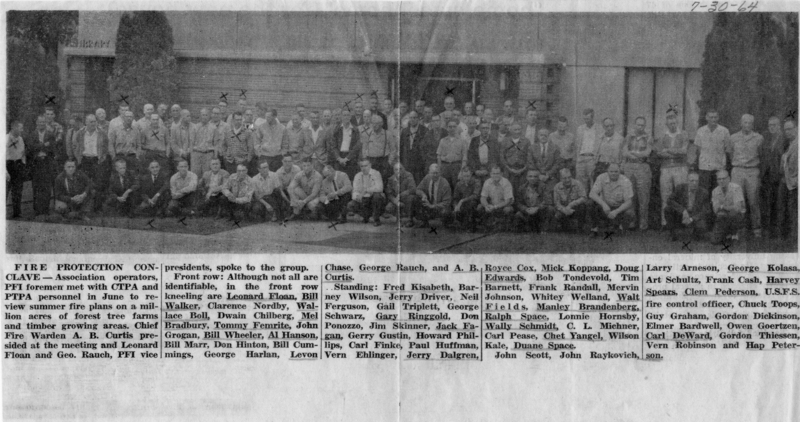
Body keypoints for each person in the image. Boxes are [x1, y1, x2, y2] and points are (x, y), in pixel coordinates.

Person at [654, 113, 689, 228]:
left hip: (680, 168)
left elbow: (684, 151)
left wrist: (668, 150)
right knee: (666, 195)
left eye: (674, 123)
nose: (672, 125)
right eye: (670, 124)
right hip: (666, 168)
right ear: (666, 124)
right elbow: (659, 153)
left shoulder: (683, 135)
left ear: (677, 123)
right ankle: (666, 222)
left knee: (681, 194)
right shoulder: (663, 136)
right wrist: (675, 152)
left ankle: (682, 220)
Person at [622, 116, 653, 231]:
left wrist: (634, 153)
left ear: (645, 126)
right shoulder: (629, 136)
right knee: (630, 194)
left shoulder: (648, 137)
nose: (640, 127)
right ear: (634, 125)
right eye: (638, 124)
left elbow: (647, 153)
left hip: (642, 167)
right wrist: (634, 154)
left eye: (642, 125)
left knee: (643, 196)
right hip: (629, 166)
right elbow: (624, 152)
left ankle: (643, 223)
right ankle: (631, 222)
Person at [588, 163, 635, 235]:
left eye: (616, 171)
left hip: (618, 209)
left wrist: (616, 211)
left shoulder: (626, 181)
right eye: (611, 171)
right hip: (605, 208)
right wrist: (603, 205)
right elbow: (592, 194)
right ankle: (594, 229)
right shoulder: (601, 177)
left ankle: (620, 227)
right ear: (607, 171)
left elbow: (629, 202)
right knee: (590, 203)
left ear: (620, 171)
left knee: (629, 212)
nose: (614, 173)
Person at [760, 116, 786, 237]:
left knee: (779, 204)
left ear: (779, 126)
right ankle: (769, 229)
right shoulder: (766, 139)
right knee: (768, 203)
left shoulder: (784, 139)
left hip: (780, 176)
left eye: (774, 125)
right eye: (770, 125)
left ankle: (780, 230)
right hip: (767, 176)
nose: (772, 127)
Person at [666, 172, 710, 241]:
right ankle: (673, 233)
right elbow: (669, 200)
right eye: (692, 180)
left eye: (696, 181)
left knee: (702, 227)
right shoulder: (680, 188)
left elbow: (706, 210)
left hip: (695, 215)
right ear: (687, 181)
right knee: (668, 209)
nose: (694, 183)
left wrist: (692, 219)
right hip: (682, 214)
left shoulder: (704, 192)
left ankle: (694, 232)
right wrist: (683, 210)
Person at [695, 109, 730, 193]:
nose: (713, 119)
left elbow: (727, 149)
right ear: (707, 118)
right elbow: (699, 149)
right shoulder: (701, 131)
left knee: (718, 192)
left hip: (719, 167)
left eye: (715, 117)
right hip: (704, 168)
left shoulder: (724, 131)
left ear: (718, 118)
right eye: (711, 117)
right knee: (704, 192)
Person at [27, 115, 57, 216]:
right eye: (40, 122)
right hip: (36, 164)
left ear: (45, 123)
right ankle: (37, 209)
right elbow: (30, 148)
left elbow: (53, 148)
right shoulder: (32, 135)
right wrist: (44, 145)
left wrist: (44, 151)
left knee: (46, 187)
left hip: (47, 163)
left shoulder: (51, 134)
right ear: (36, 123)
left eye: (43, 122)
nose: (42, 124)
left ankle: (45, 209)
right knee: (36, 186)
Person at [411, 163, 452, 228]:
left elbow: (447, 202)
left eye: (437, 173)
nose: (435, 175)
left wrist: (433, 206)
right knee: (415, 198)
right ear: (429, 173)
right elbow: (418, 189)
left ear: (440, 173)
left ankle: (445, 225)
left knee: (445, 211)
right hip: (429, 205)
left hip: (438, 207)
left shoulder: (445, 184)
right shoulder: (427, 178)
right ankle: (422, 222)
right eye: (433, 173)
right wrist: (423, 195)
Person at [710, 170, 745, 243]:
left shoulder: (736, 188)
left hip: (736, 216)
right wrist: (727, 208)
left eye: (724, 178)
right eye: (719, 179)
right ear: (717, 180)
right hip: (723, 217)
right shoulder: (715, 191)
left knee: (733, 213)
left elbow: (738, 208)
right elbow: (715, 210)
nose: (721, 181)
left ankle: (734, 233)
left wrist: (723, 207)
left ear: (729, 179)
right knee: (714, 241)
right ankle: (727, 233)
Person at [348, 159, 385, 226]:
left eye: (366, 166)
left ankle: (376, 219)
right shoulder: (357, 175)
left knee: (377, 196)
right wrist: (357, 197)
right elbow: (355, 190)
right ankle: (365, 216)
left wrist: (365, 191)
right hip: (363, 199)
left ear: (370, 165)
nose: (364, 168)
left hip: (372, 198)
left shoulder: (376, 173)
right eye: (362, 166)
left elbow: (379, 188)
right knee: (351, 205)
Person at [477, 165, 514, 230]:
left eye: (497, 173)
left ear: (501, 174)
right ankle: (485, 226)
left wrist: (495, 207)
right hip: (492, 205)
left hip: (504, 206)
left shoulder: (506, 183)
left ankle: (506, 227)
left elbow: (508, 201)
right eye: (493, 173)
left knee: (507, 210)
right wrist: (486, 206)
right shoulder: (487, 182)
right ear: (490, 174)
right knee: (480, 207)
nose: (495, 175)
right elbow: (482, 197)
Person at [575, 108, 602, 194]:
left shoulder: (599, 128)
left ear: (592, 117)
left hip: (592, 158)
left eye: (588, 118)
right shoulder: (580, 129)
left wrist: (596, 159)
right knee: (581, 182)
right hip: (581, 158)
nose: (586, 121)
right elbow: (578, 144)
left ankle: (593, 202)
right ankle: (582, 201)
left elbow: (600, 144)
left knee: (592, 181)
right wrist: (577, 157)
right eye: (584, 119)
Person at [778, 119, 798, 243]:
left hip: (795, 182)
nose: (787, 132)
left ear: (796, 128)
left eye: (790, 129)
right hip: (788, 181)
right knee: (787, 209)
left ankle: (794, 237)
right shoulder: (790, 143)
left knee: (794, 210)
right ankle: (790, 237)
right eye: (785, 129)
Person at [527, 128, 562, 196]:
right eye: (541, 135)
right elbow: (530, 162)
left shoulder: (555, 148)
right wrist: (538, 175)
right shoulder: (532, 148)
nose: (543, 137)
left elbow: (557, 163)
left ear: (549, 136)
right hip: (536, 177)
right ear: (538, 136)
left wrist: (548, 175)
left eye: (545, 135)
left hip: (551, 177)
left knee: (550, 195)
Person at [362, 115, 397, 181]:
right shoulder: (368, 133)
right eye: (372, 123)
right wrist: (365, 160)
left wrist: (389, 162)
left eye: (376, 123)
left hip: (383, 162)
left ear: (381, 124)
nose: (374, 125)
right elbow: (364, 148)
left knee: (383, 181)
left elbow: (393, 150)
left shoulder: (388, 134)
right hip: (371, 161)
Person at [552, 168, 587, 232]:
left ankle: (580, 228)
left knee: (583, 206)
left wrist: (571, 204)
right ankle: (563, 226)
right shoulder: (557, 187)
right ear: (560, 178)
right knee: (565, 228)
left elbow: (584, 198)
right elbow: (557, 203)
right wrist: (564, 210)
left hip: (575, 208)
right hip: (563, 209)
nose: (567, 180)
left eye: (569, 177)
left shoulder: (578, 183)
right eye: (564, 178)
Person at [330, 108, 361, 179]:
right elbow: (333, 146)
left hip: (350, 159)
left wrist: (347, 158)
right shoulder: (337, 129)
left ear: (350, 117)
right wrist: (339, 158)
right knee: (338, 180)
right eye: (344, 115)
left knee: (350, 179)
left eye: (348, 115)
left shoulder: (355, 129)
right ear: (341, 117)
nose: (346, 117)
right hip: (339, 158)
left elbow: (357, 147)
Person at [437, 118, 468, 190]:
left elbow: (464, 157)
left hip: (456, 166)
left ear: (457, 127)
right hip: (445, 167)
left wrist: (462, 171)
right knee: (445, 187)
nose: (452, 128)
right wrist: (440, 169)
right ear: (447, 128)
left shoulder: (462, 141)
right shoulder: (443, 140)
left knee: (457, 187)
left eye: (454, 126)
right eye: (450, 127)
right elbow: (438, 156)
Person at [399, 111, 429, 183]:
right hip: (407, 163)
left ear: (418, 119)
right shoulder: (404, 131)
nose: (412, 120)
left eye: (414, 118)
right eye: (411, 118)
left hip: (419, 164)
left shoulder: (424, 130)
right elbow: (401, 148)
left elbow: (427, 149)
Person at [468, 120, 500, 185]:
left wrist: (488, 170)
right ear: (479, 129)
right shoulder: (474, 140)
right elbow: (471, 157)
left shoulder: (494, 141)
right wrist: (475, 170)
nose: (485, 130)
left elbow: (496, 158)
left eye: (487, 128)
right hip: (477, 170)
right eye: (483, 128)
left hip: (489, 171)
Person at [499, 122, 530, 191]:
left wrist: (523, 169)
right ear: (510, 130)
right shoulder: (505, 141)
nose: (517, 132)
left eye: (519, 129)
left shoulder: (526, 141)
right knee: (508, 189)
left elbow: (529, 157)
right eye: (515, 130)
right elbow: (502, 157)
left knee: (521, 190)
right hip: (508, 171)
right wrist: (509, 169)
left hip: (522, 171)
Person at [451, 166, 481, 231]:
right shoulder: (459, 184)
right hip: (462, 205)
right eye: (464, 176)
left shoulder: (476, 182)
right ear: (462, 175)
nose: (466, 178)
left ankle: (470, 223)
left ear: (471, 175)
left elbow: (475, 195)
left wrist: (462, 200)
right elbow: (455, 198)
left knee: (471, 204)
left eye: (468, 176)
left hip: (473, 204)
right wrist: (456, 206)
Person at [191, 108, 219, 177]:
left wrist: (215, 156)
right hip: (196, 153)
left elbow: (216, 143)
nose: (204, 117)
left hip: (208, 154)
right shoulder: (195, 127)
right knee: (195, 174)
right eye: (203, 115)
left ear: (209, 116)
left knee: (207, 175)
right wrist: (192, 156)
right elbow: (191, 143)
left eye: (206, 115)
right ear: (200, 116)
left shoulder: (214, 128)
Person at [6, 121, 26, 219]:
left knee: (17, 190)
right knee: (5, 190)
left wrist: (22, 165)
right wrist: (5, 172)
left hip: (18, 165)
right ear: (14, 128)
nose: (22, 130)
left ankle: (17, 213)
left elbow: (22, 153)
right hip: (7, 165)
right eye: (20, 128)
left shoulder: (20, 139)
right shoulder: (5, 139)